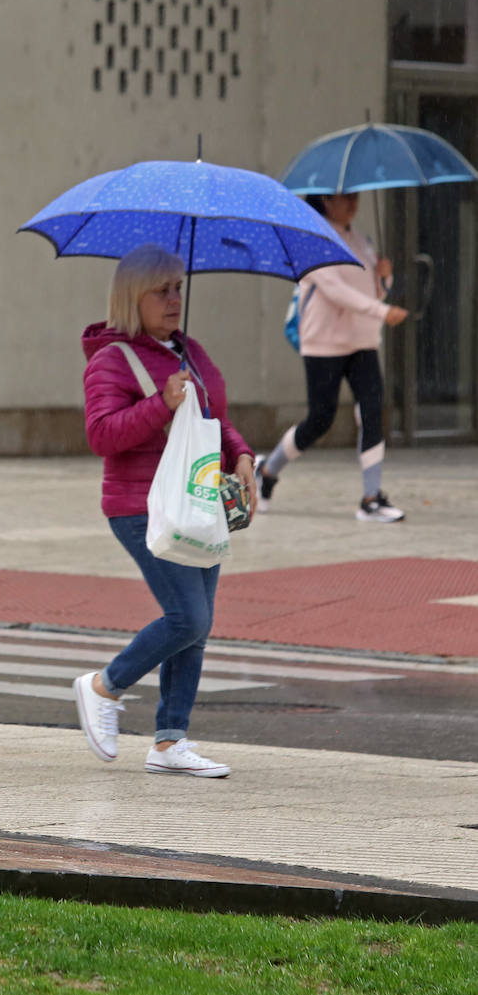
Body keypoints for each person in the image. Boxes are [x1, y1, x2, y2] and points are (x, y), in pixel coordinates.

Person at [72, 244, 255, 778]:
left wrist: (240, 451)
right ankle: (103, 685)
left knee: (198, 626)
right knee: (187, 616)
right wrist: (161, 404)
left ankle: (170, 741)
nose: (176, 299)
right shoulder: (113, 358)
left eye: (179, 287)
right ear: (134, 296)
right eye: (162, 290)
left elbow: (213, 419)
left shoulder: (188, 351)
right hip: (141, 505)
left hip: (198, 500)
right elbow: (102, 434)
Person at [255, 192, 408, 522]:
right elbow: (336, 290)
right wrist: (381, 310)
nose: (353, 202)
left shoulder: (362, 240)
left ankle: (372, 497)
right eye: (344, 196)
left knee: (371, 410)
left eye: (355, 195)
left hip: (363, 342)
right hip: (324, 343)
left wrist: (384, 277)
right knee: (320, 419)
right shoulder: (313, 238)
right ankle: (267, 470)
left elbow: (371, 290)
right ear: (324, 199)